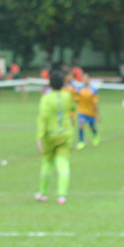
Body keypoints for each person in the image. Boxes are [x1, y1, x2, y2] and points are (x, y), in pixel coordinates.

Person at [35, 68, 76, 205]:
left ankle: (42, 193)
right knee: (63, 163)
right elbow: (73, 109)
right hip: (66, 134)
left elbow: (43, 117)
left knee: (47, 162)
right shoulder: (67, 96)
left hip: (51, 135)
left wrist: (39, 136)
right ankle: (62, 195)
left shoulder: (46, 98)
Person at [75, 72, 101, 149]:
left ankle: (95, 135)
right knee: (81, 125)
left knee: (91, 126)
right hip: (82, 112)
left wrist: (97, 114)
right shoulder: (79, 89)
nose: (85, 80)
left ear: (89, 79)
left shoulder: (93, 90)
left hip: (91, 112)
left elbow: (95, 103)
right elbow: (77, 100)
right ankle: (81, 141)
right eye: (83, 78)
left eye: (86, 78)